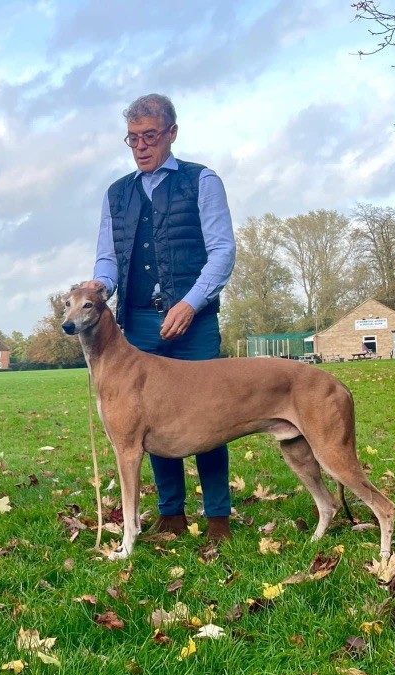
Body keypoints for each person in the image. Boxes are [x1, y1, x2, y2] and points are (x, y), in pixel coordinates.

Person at [88, 94, 236, 540]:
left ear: (172, 132)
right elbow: (107, 258)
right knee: (145, 418)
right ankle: (171, 513)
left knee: (211, 416)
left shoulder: (201, 181)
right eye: (132, 138)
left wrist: (191, 302)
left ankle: (218, 518)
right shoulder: (117, 193)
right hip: (137, 323)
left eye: (149, 136)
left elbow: (223, 252)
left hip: (194, 319)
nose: (140, 146)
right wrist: (101, 286)